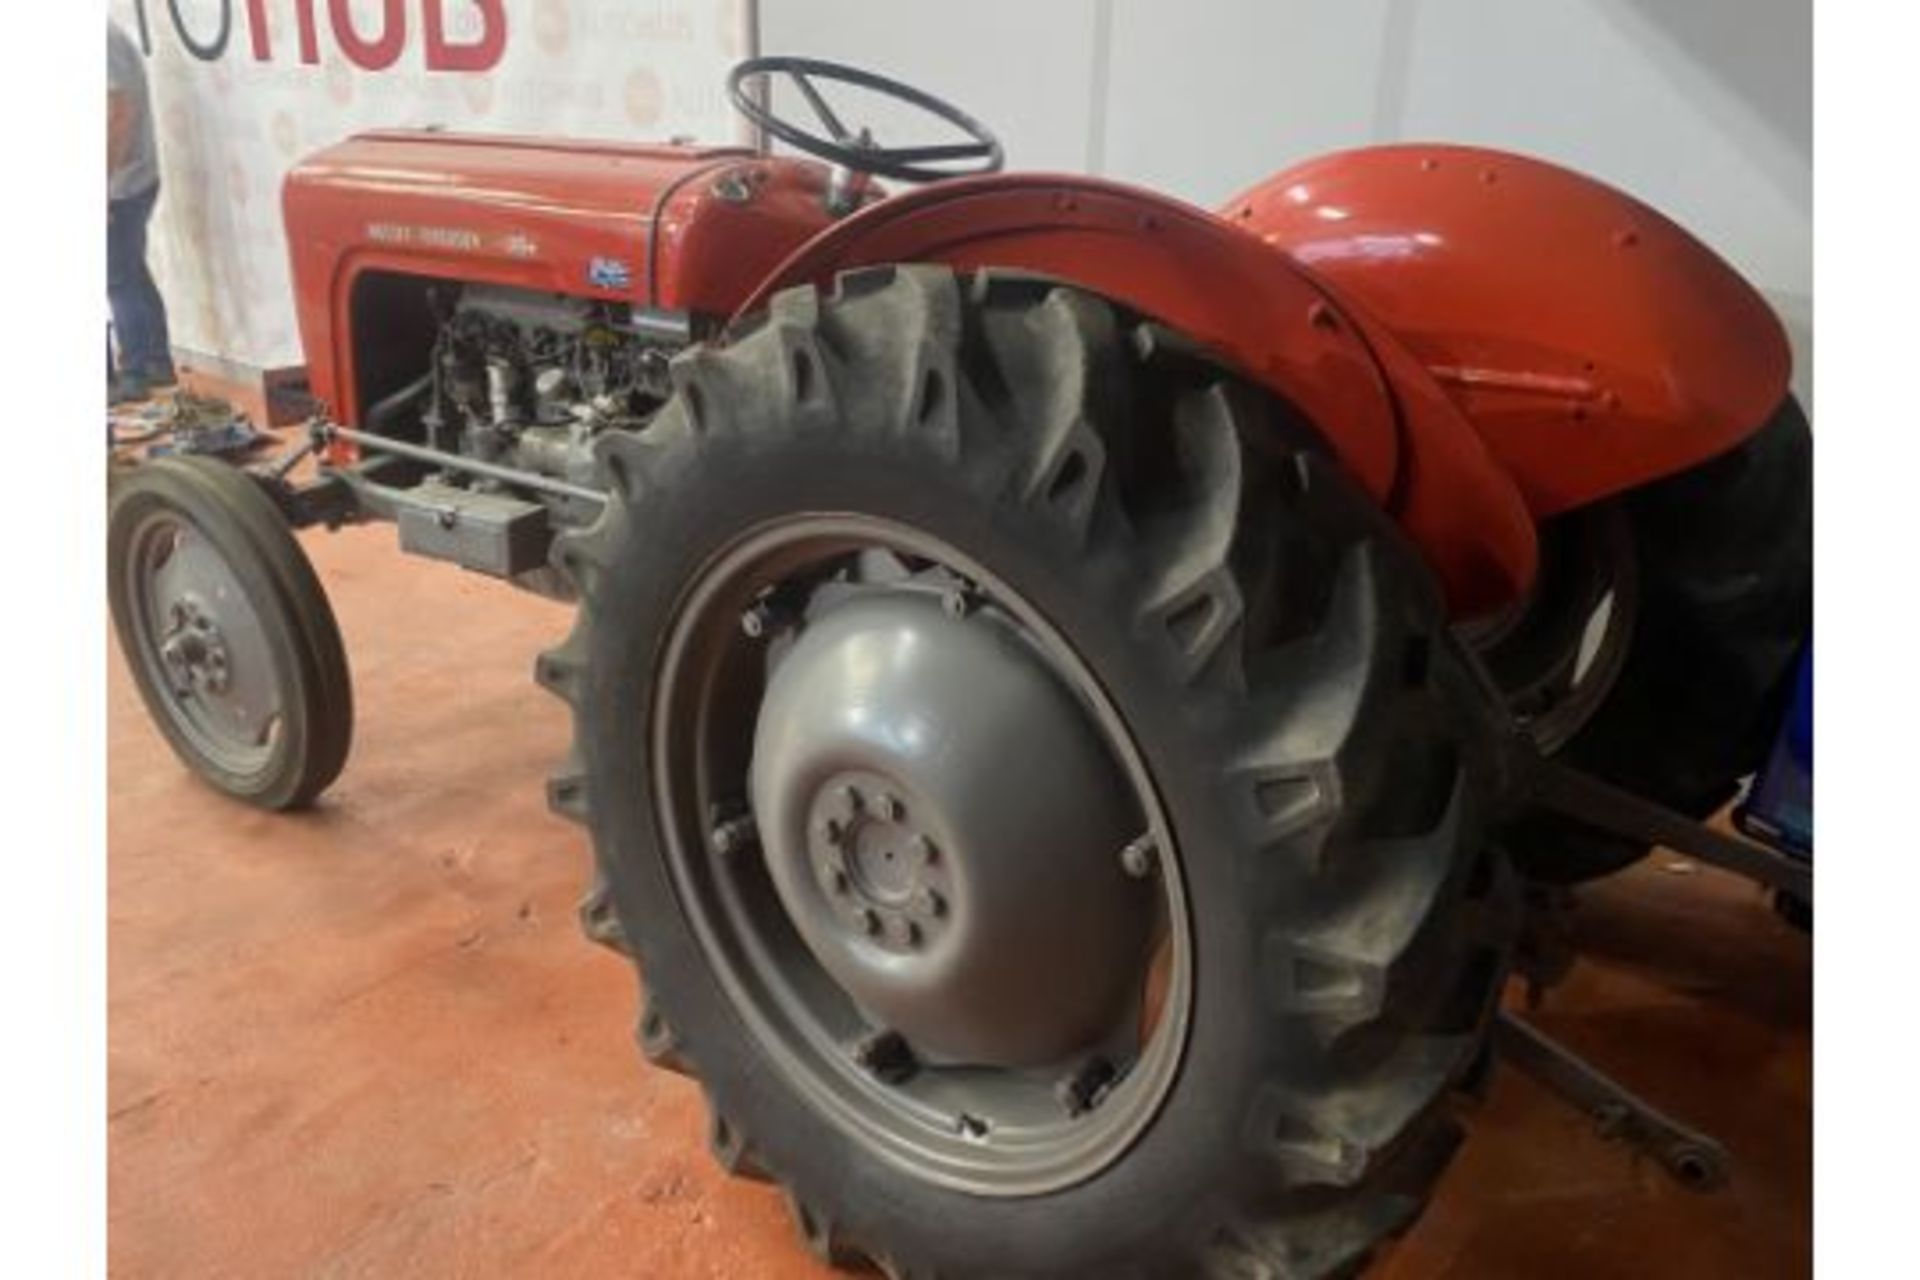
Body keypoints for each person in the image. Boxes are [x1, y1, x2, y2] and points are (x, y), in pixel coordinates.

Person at [108, 19, 176, 405]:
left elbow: (119, 111)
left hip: (121, 182)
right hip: (127, 177)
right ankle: (155, 361)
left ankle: (134, 374)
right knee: (129, 271)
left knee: (117, 280)